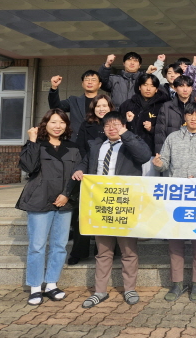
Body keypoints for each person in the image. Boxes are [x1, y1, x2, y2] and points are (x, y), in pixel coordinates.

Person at [72, 111, 152, 308]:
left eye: (116, 124)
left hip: (124, 205)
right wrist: (79, 170)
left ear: (124, 126)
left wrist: (127, 135)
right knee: (103, 251)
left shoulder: (131, 143)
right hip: (101, 205)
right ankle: (100, 291)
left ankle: (130, 289)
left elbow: (144, 156)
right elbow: (85, 163)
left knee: (128, 251)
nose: (111, 128)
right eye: (108, 125)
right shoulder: (96, 145)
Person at [153, 102, 196, 302]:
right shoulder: (173, 137)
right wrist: (159, 164)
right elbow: (164, 162)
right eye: (190, 114)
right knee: (175, 240)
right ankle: (177, 283)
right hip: (176, 196)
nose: (193, 118)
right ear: (184, 117)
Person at [17, 109, 81, 306]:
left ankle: (52, 284)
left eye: (61, 122)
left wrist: (67, 194)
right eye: (53, 122)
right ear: (45, 124)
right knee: (37, 246)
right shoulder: (37, 145)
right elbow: (28, 167)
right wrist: (32, 140)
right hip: (39, 200)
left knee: (59, 245)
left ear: (66, 125)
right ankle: (35, 287)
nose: (57, 126)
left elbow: (78, 174)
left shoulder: (73, 148)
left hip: (64, 202)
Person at [69, 94, 114, 265]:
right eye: (98, 106)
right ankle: (79, 251)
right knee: (84, 214)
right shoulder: (86, 125)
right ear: (93, 109)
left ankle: (103, 251)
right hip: (89, 175)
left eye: (105, 105)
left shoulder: (116, 124)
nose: (101, 109)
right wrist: (83, 167)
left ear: (110, 107)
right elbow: (80, 147)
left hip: (110, 177)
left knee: (106, 215)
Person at [119, 73, 170, 176]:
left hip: (152, 153)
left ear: (156, 89)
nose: (148, 89)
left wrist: (152, 129)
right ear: (139, 87)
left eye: (152, 86)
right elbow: (119, 125)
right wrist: (128, 121)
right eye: (145, 85)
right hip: (129, 153)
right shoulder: (128, 104)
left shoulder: (163, 106)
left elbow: (167, 129)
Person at [48, 70, 102, 141]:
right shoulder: (73, 100)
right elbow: (55, 107)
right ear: (82, 84)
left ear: (99, 84)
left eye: (93, 80)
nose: (90, 82)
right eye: (87, 79)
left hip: (98, 141)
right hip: (76, 141)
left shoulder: (104, 102)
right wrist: (54, 88)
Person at [154, 75, 196, 154]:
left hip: (194, 151)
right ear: (175, 88)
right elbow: (160, 132)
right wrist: (162, 154)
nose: (185, 89)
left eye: (188, 86)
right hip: (172, 150)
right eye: (181, 86)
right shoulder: (167, 106)